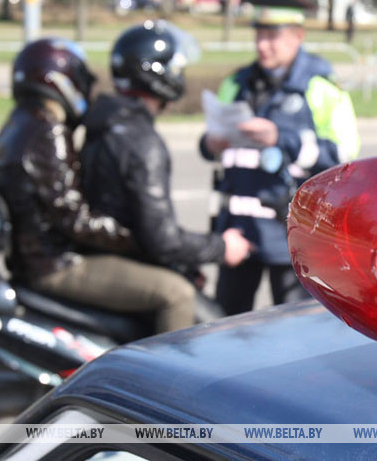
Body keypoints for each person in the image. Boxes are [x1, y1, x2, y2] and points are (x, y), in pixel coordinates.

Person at [0, 38, 207, 334]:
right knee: (176, 294)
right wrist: (138, 244)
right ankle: (167, 379)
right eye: (80, 79)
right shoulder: (47, 132)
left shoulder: (19, 126)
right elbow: (75, 218)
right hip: (57, 264)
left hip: (34, 259)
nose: (88, 89)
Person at [200, 0, 361, 315]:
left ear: (297, 36)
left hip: (291, 233)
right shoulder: (237, 83)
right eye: (259, 36)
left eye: (272, 37)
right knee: (225, 326)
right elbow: (211, 144)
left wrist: (282, 138)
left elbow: (344, 156)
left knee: (293, 332)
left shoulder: (321, 89)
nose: (262, 45)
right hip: (237, 231)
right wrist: (209, 144)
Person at [80, 20, 251, 313]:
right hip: (125, 260)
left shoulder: (104, 121)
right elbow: (163, 239)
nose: (179, 75)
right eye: (175, 68)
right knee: (194, 309)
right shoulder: (143, 142)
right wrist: (222, 248)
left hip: (114, 253)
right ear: (156, 74)